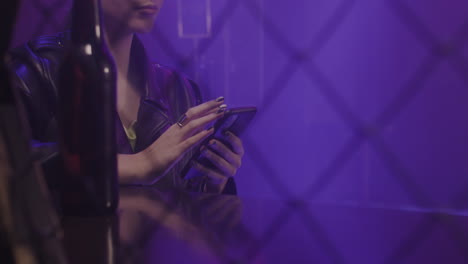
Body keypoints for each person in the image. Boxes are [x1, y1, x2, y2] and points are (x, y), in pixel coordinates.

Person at [8, 0, 244, 194]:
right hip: (73, 248)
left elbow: (191, 212)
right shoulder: (33, 71)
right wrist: (139, 164)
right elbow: (11, 164)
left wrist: (214, 184)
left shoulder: (181, 90)